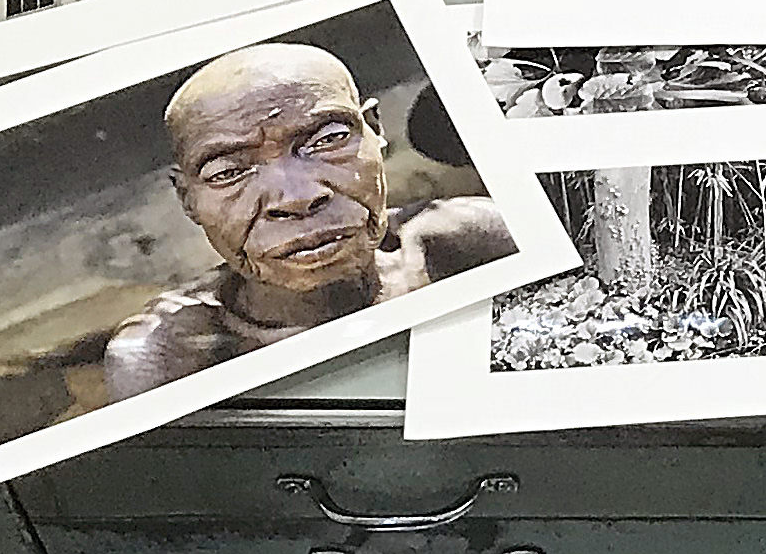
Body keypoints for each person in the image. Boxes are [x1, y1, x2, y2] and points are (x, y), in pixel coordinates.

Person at [100, 42, 515, 396]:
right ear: (186, 198)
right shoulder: (170, 357)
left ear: (374, 130)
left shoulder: (467, 243)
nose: (296, 198)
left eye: (327, 140)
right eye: (228, 172)